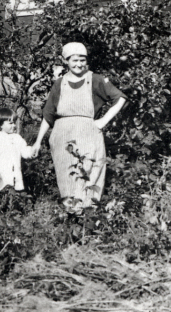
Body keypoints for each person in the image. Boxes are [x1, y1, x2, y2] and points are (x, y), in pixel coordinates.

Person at [30, 42, 126, 213]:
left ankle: (88, 216)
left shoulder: (95, 79)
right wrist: (37, 142)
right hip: (62, 136)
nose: (79, 64)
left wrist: (103, 121)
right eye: (74, 60)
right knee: (66, 176)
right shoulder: (59, 83)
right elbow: (48, 115)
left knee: (89, 172)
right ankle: (71, 216)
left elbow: (120, 98)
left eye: (82, 60)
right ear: (65, 61)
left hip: (88, 134)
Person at [0, 107, 32, 192]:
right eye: (10, 123)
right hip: (0, 176)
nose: (14, 125)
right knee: (0, 193)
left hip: (15, 175)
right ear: (1, 125)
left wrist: (32, 151)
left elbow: (24, 151)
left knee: (15, 194)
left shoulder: (17, 138)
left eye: (14, 123)